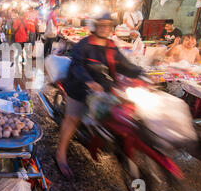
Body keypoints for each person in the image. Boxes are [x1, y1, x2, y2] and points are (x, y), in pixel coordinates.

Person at [56, 14, 142, 178]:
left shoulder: (111, 45)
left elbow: (124, 65)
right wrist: (89, 81)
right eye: (101, 25)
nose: (104, 28)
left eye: (108, 25)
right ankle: (60, 154)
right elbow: (77, 66)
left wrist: (142, 73)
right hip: (78, 87)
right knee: (73, 118)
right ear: (95, 26)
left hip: (103, 88)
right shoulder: (84, 44)